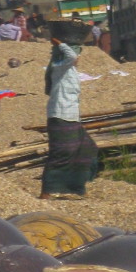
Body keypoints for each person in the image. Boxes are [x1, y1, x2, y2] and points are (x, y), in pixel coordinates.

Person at [40, 35, 98, 199]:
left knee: (86, 149)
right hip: (61, 115)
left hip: (71, 116)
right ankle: (47, 190)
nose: (77, 58)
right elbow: (71, 56)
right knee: (61, 154)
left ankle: (76, 187)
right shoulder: (60, 66)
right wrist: (61, 43)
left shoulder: (70, 69)